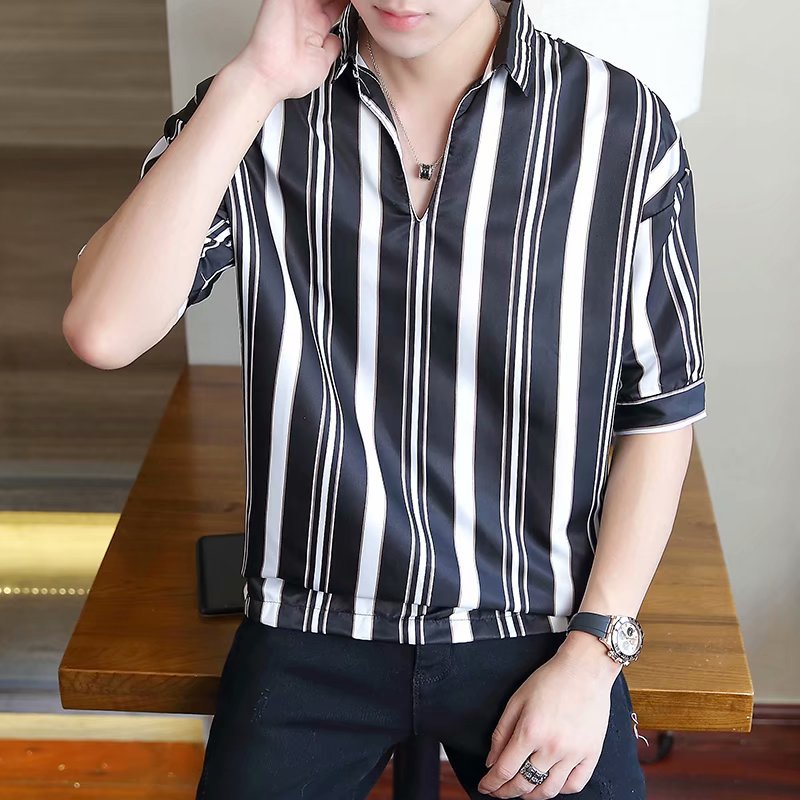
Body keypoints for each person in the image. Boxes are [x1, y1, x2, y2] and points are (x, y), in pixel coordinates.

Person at [64, 0, 707, 797]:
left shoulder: (624, 126)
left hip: (535, 625)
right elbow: (104, 329)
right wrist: (254, 79)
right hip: (309, 624)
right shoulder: (256, 111)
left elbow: (661, 413)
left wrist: (593, 655)